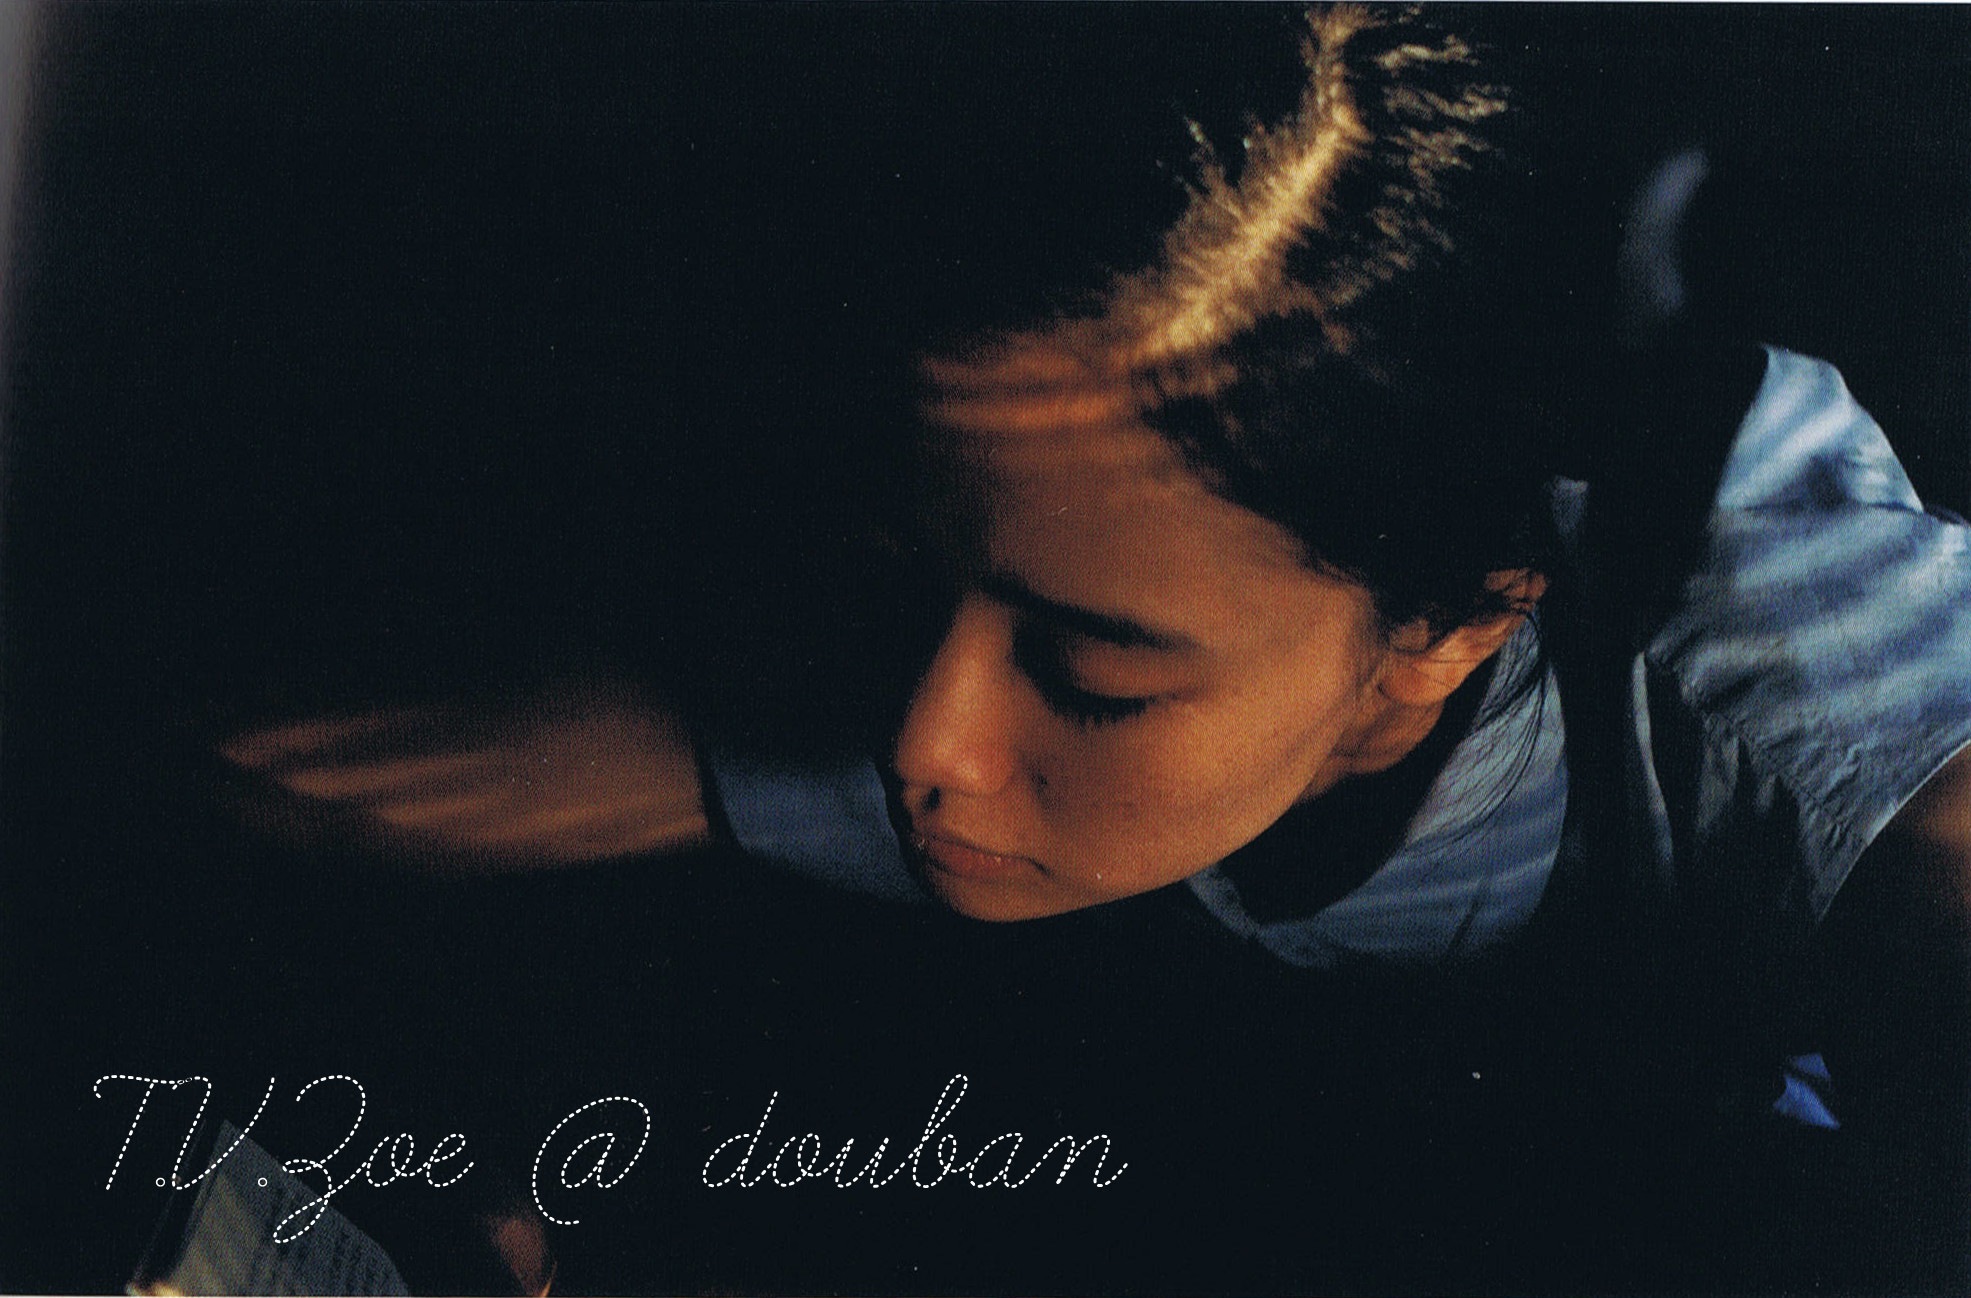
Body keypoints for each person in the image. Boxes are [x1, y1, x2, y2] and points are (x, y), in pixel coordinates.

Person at [221, 5, 1971, 1289]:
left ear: (1443, 633)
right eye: (910, 579)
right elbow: (383, 777)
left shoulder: (1777, 653)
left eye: (1097, 674)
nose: (918, 744)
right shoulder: (960, 586)